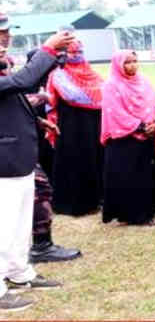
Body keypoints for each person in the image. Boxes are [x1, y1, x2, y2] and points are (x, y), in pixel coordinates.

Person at [0, 30, 73, 312]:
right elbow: (23, 81)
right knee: (3, 225)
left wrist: (37, 123)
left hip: (17, 157)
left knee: (18, 223)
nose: (4, 39)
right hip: (4, 162)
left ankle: (19, 273)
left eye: (6, 33)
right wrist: (48, 49)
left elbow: (11, 98)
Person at [21, 50, 81, 263]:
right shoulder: (17, 78)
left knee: (40, 189)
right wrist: (40, 97)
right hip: (9, 149)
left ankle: (41, 245)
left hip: (19, 142)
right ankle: (36, 249)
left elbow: (11, 106)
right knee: (33, 192)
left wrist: (39, 121)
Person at [100, 51, 155, 226]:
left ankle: (153, 206)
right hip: (124, 139)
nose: (132, 65)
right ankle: (135, 215)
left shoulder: (143, 81)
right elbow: (115, 112)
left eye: (135, 61)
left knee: (149, 173)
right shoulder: (111, 85)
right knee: (131, 177)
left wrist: (154, 123)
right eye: (127, 62)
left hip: (148, 134)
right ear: (118, 65)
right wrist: (140, 126)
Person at [46, 39, 105, 216]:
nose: (76, 56)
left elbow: (104, 91)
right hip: (71, 126)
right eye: (71, 53)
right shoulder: (58, 74)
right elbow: (71, 96)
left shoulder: (91, 72)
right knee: (74, 161)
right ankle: (74, 204)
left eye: (79, 52)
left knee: (94, 159)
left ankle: (97, 198)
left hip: (94, 124)